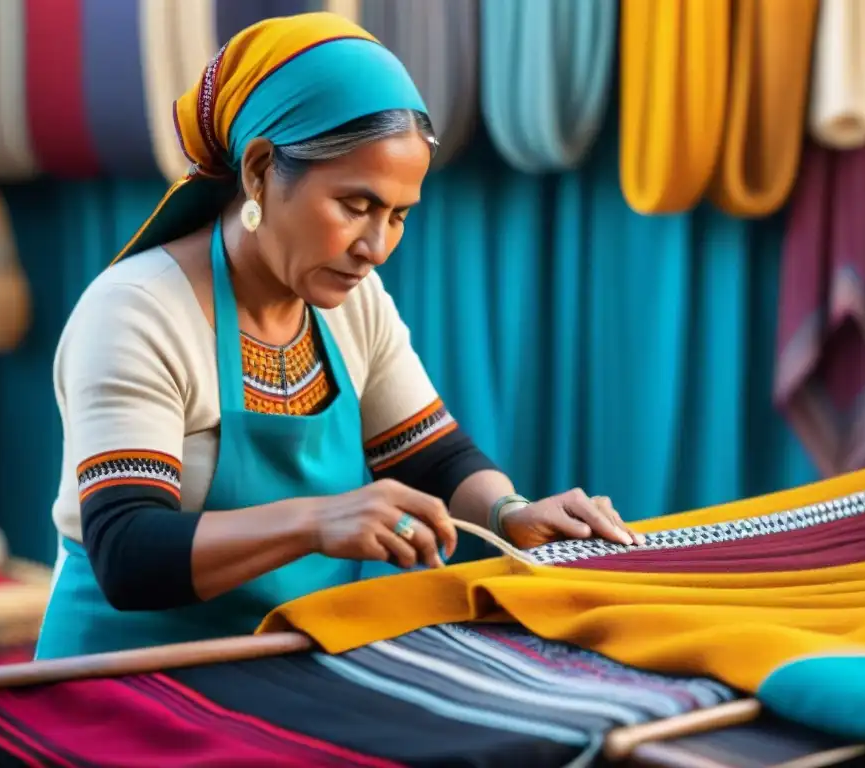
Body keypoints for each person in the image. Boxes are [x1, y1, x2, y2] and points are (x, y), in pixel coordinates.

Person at [35, 13, 643, 660]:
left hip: (280, 664)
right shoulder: (137, 311)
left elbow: (434, 457)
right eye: (356, 207)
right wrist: (322, 519)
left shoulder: (352, 304)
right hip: (126, 681)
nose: (376, 247)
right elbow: (126, 553)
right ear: (261, 170)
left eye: (398, 216)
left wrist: (510, 514)